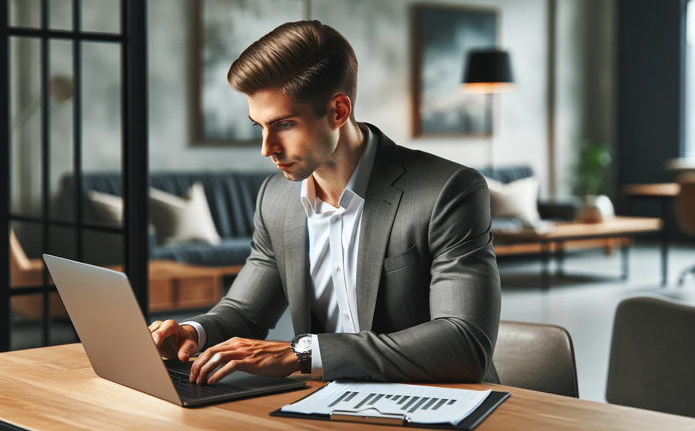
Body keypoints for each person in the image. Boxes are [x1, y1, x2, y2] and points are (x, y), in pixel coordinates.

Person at [149, 20, 501, 385]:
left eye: (284, 124)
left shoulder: (449, 191)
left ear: (338, 111)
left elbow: (465, 343)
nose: (266, 148)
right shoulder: (276, 199)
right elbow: (243, 312)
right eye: (260, 126)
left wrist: (300, 354)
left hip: (439, 405)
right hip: (329, 407)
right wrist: (193, 332)